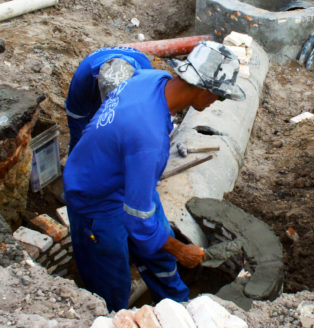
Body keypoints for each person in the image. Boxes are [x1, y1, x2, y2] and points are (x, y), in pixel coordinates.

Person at [63, 41, 245, 311]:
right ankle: (117, 314)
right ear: (205, 89)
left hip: (118, 176)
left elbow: (141, 206)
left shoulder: (152, 78)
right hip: (94, 200)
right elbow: (137, 217)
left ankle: (178, 305)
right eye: (219, 96)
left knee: (160, 250)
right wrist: (181, 250)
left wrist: (165, 243)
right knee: (112, 286)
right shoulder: (148, 138)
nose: (216, 101)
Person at [65, 47, 153, 153]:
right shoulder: (82, 81)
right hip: (91, 94)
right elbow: (77, 120)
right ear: (97, 79)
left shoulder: (147, 77)